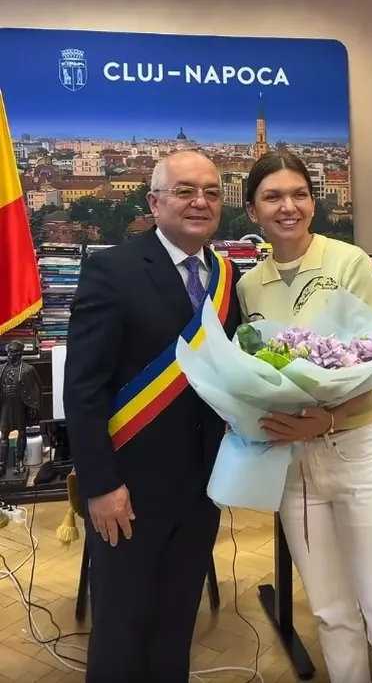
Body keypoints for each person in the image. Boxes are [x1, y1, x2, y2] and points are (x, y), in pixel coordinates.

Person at [237, 153, 372, 683]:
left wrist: (325, 420)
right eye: (273, 197)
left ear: (313, 202)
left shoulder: (348, 262)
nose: (288, 206)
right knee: (330, 612)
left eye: (299, 194)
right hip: (293, 465)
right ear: (252, 210)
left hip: (356, 452)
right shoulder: (249, 286)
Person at [63, 151, 242, 683]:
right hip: (129, 490)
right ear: (155, 202)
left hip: (202, 487)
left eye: (211, 192)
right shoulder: (112, 270)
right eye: (185, 190)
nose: (200, 202)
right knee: (121, 629)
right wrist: (100, 485)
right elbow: (84, 388)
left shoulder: (225, 276)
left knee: (175, 623)